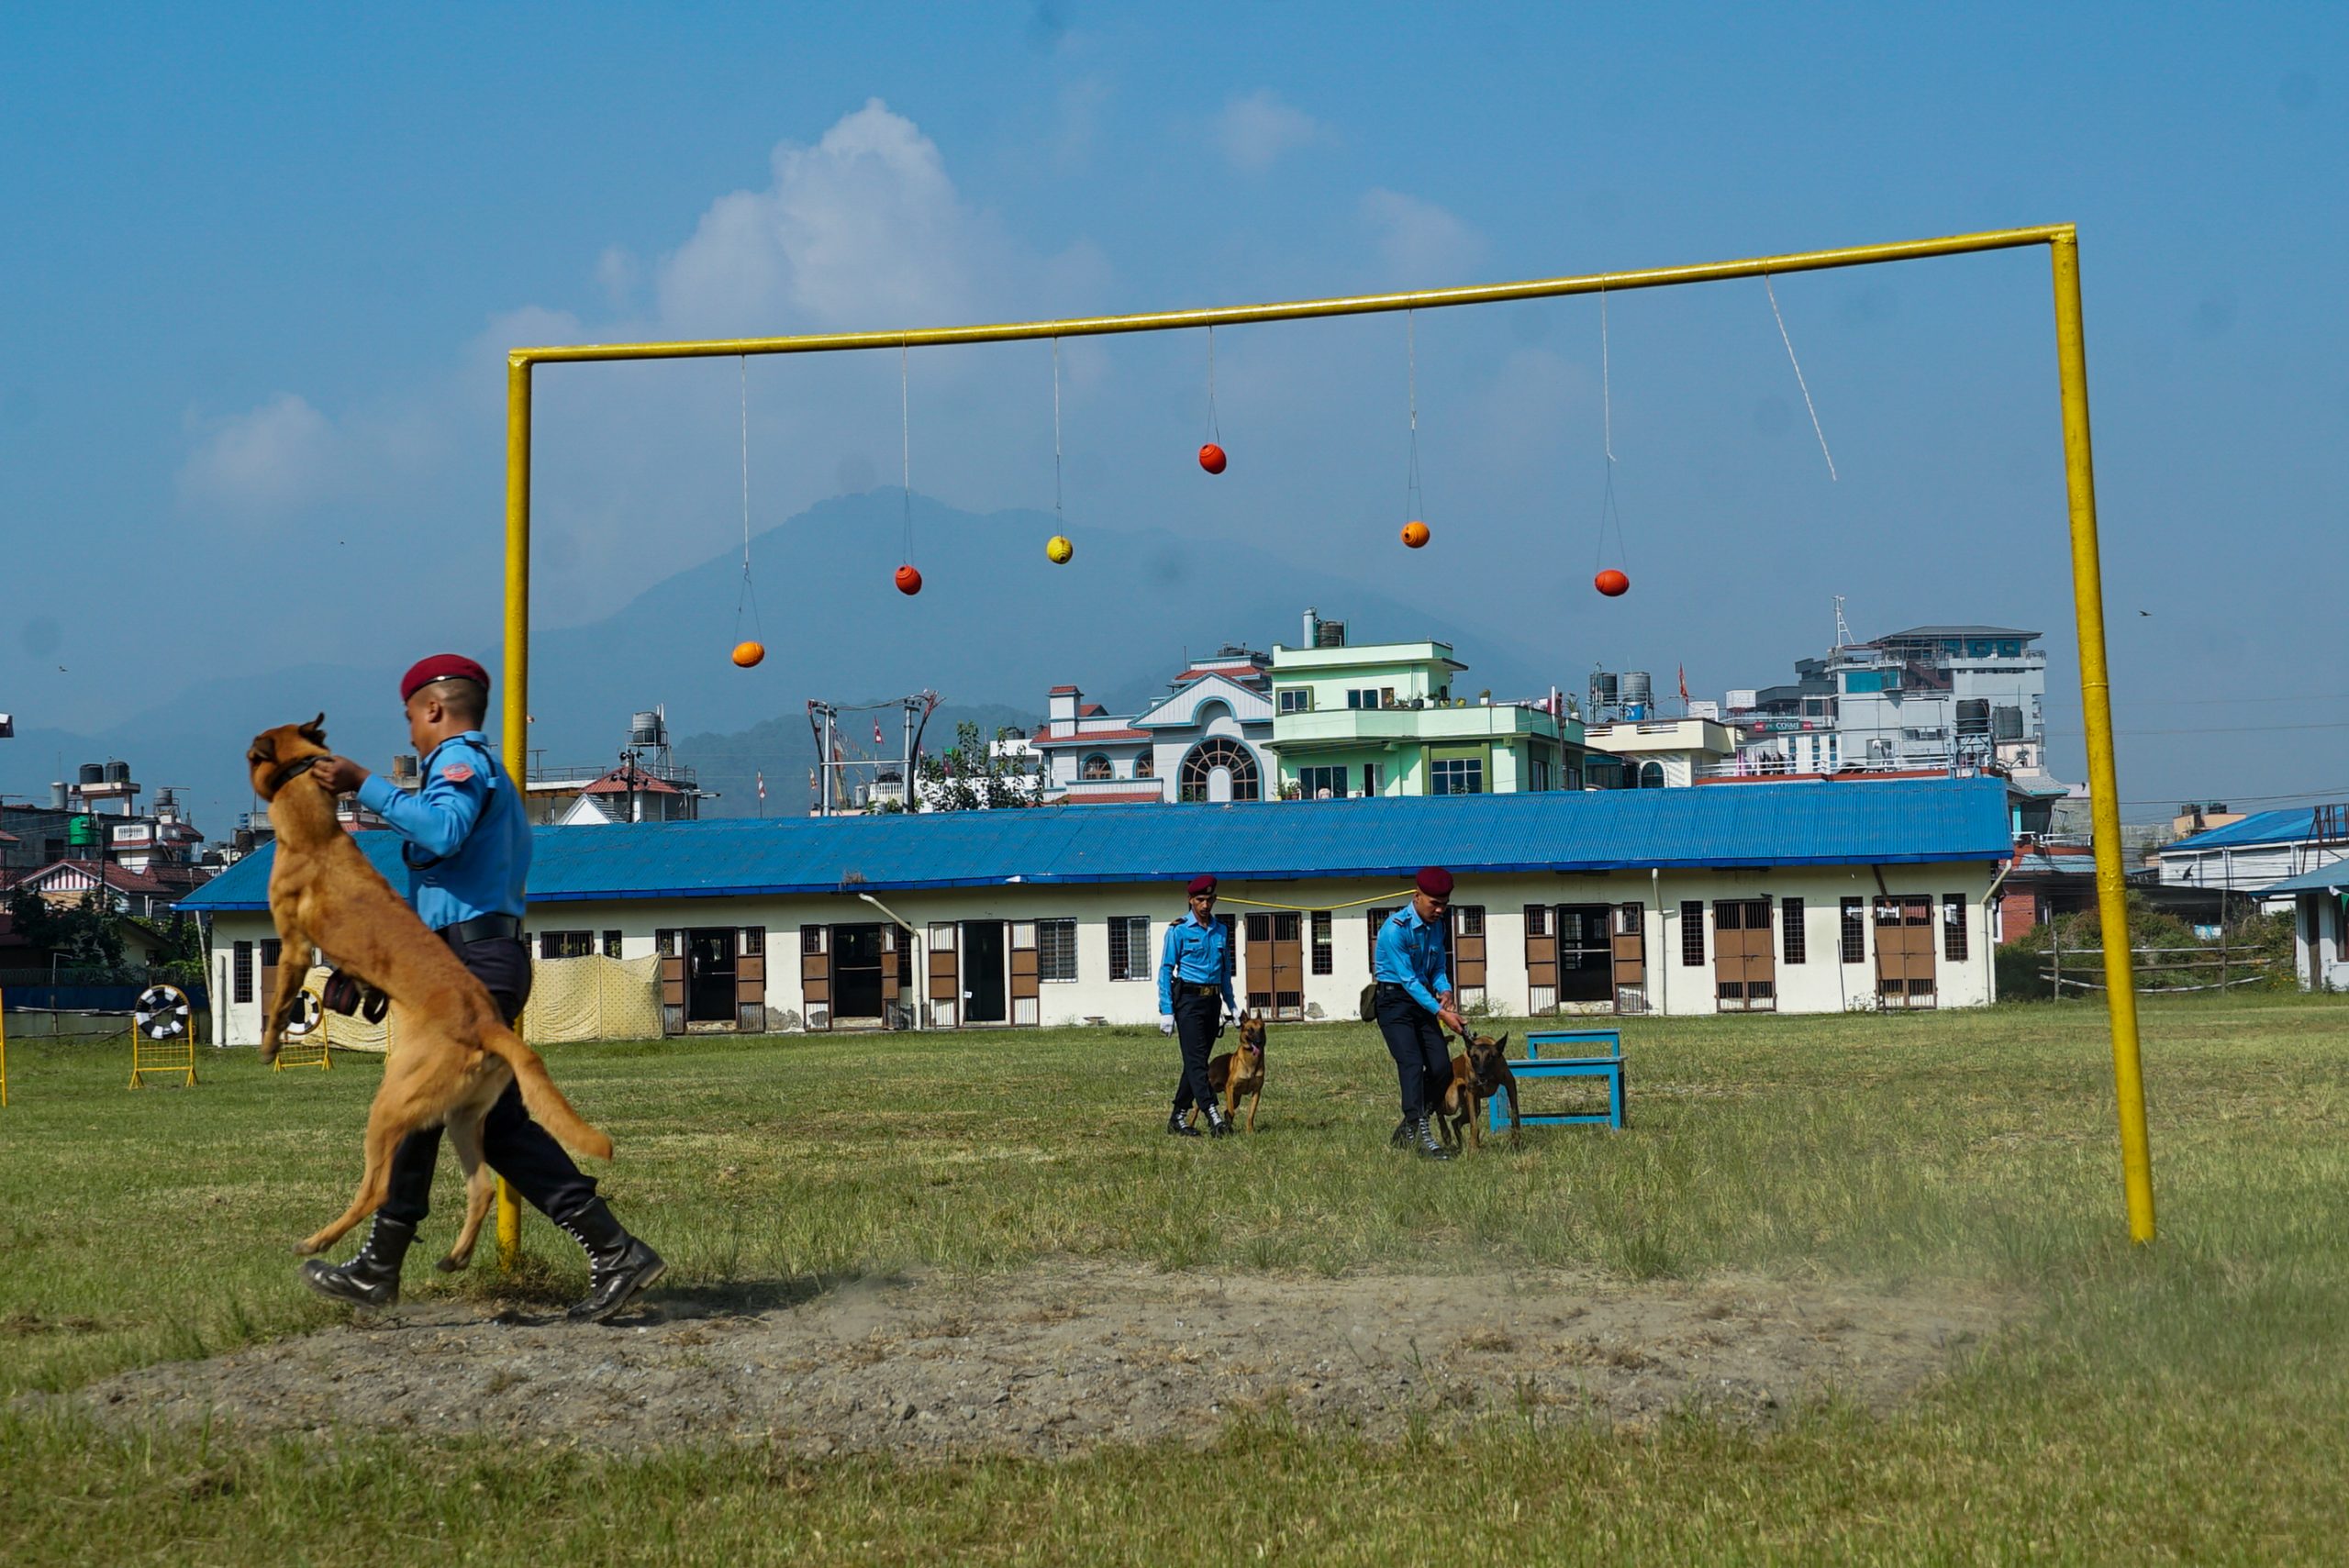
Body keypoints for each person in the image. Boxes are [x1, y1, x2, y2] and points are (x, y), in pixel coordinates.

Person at [297, 654, 666, 1321]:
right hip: (467, 960)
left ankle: (384, 1267)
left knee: (425, 1109)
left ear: (434, 710)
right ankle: (613, 1252)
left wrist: (364, 784)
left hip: (474, 963)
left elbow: (443, 831)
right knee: (472, 1120)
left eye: (411, 716)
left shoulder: (459, 762)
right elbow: (449, 887)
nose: (410, 732)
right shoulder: (471, 770)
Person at [1373, 866, 1466, 1160]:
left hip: (1423, 1000)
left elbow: (1436, 967)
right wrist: (1441, 1013)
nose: (1439, 910)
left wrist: (1446, 990)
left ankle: (1411, 1125)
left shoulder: (1437, 926)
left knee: (1440, 1067)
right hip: (1394, 1002)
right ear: (1416, 896)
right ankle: (1421, 1132)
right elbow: (1409, 979)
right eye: (1434, 903)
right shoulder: (1394, 929)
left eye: (1444, 904)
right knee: (1412, 1063)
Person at [1157, 873, 1237, 1138]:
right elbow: (1166, 970)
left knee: (1197, 1061)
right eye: (1199, 900)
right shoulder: (1178, 930)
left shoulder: (1221, 930)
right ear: (1190, 900)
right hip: (1188, 1001)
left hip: (1212, 1000)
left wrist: (1232, 1005)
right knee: (1196, 1062)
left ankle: (1178, 1117)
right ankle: (1213, 1116)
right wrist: (1167, 1010)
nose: (1205, 905)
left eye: (1209, 900)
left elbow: (1225, 972)